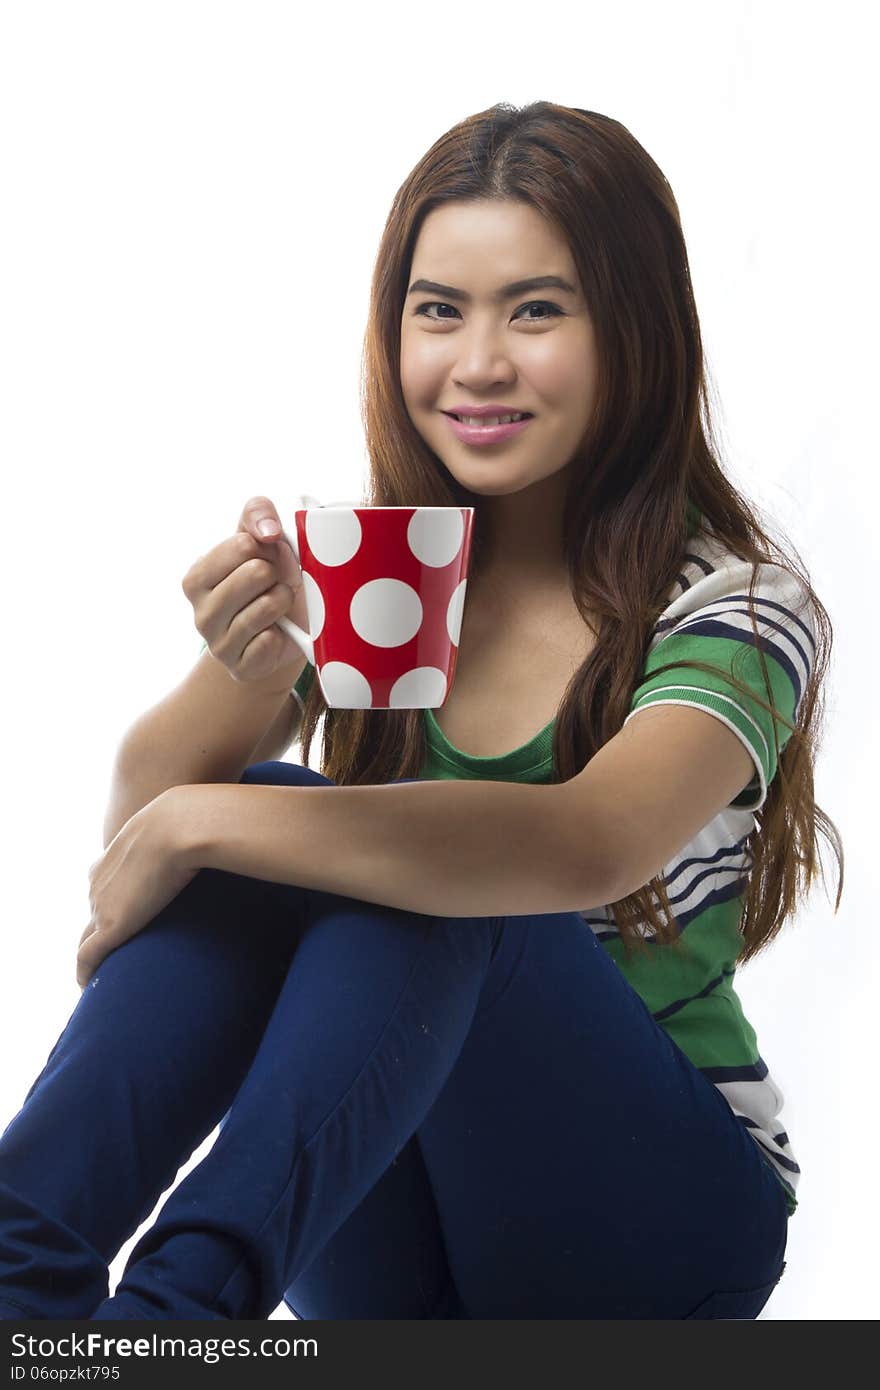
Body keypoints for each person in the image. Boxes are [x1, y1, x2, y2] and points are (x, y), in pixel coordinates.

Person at [0, 100, 843, 1321]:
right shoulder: (383, 574)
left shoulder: (733, 603)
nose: (478, 361)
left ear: (637, 331)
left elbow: (579, 844)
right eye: (438, 309)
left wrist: (209, 822)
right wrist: (245, 675)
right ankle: (22, 1276)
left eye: (536, 309)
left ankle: (170, 1322)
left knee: (452, 876)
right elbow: (147, 859)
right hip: (389, 1192)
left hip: (655, 1219)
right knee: (335, 848)